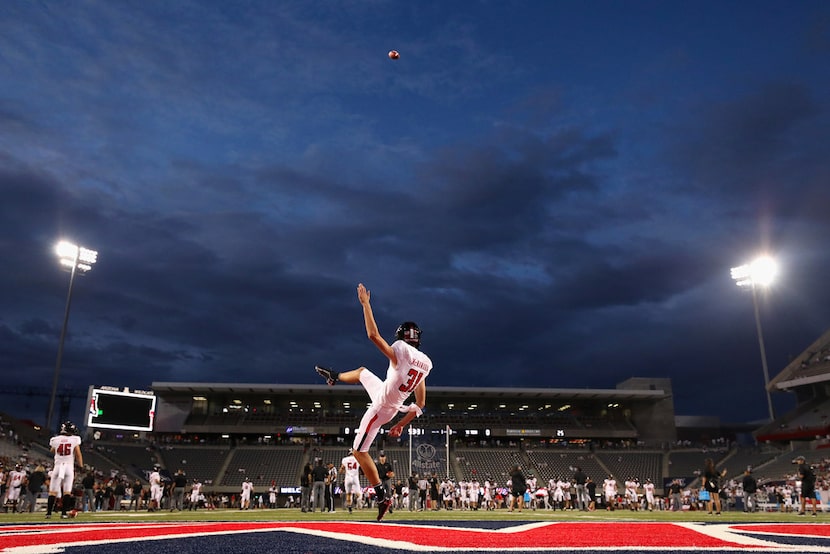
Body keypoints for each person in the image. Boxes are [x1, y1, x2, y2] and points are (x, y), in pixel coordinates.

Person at [315, 282, 432, 522]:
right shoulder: (425, 364)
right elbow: (420, 403)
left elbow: (373, 335)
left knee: (358, 451)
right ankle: (334, 376)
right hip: (389, 399)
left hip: (382, 407)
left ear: (401, 338)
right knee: (361, 372)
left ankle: (381, 495)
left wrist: (366, 304)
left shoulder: (401, 351)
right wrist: (402, 424)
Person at [46, 420, 83, 519]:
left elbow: (52, 450)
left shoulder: (55, 439)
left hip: (58, 466)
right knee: (67, 491)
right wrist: (81, 466)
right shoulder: (75, 439)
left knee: (53, 491)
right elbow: (78, 454)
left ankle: (49, 513)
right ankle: (63, 513)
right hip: (68, 467)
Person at [340, 449, 361, 513]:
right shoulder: (358, 459)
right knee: (359, 494)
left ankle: (349, 506)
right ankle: (355, 498)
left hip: (348, 478)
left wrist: (343, 471)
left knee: (348, 494)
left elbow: (341, 470)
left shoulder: (345, 459)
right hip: (355, 477)